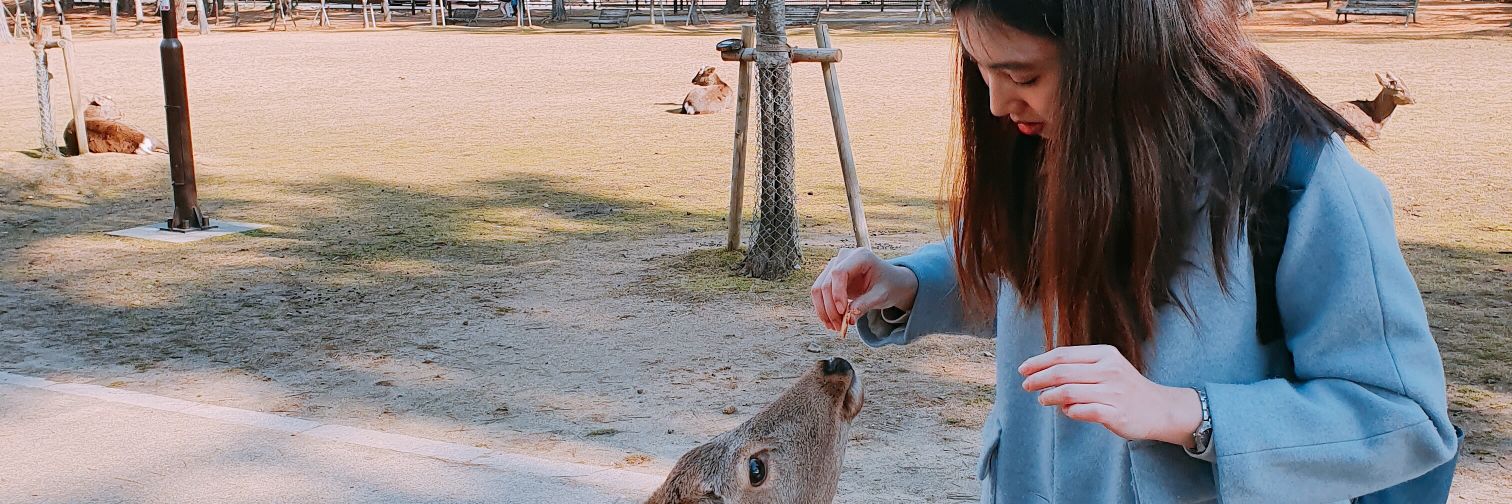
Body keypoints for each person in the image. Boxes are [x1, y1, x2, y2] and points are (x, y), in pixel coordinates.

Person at [809, 1, 1458, 502]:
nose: (998, 104)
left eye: (1022, 74)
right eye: (979, 67)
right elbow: (1034, 274)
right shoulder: (1053, 133)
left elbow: (1403, 417)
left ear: (1123, 52)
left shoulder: (1297, 179)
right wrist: (909, 284)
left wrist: (1187, 413)